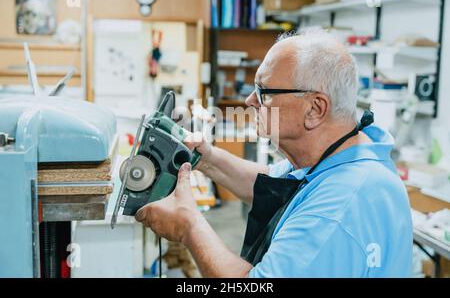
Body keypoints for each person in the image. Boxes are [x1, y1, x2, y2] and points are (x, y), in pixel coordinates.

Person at [135, 29, 413, 277]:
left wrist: (189, 227)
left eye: (264, 92)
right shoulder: (337, 154)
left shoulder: (339, 207)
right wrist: (205, 158)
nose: (250, 100)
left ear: (315, 109)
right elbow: (272, 185)